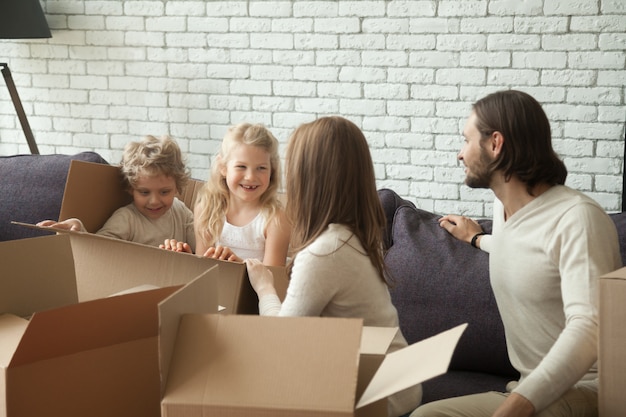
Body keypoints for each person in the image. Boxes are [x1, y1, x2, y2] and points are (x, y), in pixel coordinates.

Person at [410, 90, 622, 417]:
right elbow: (532, 257)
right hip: (528, 388)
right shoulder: (503, 208)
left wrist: (516, 408)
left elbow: (589, 327)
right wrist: (478, 240)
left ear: (495, 143)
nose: (459, 154)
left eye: (466, 141)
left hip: (589, 390)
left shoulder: (579, 219)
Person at [245, 116, 423, 417]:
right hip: (396, 383)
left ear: (308, 178)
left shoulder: (326, 250)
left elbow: (280, 340)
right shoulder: (350, 236)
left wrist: (264, 288)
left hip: (380, 396)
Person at [163, 122, 290, 266]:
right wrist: (186, 258)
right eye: (241, 166)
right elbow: (204, 268)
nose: (250, 177)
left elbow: (272, 281)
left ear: (271, 171)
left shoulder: (276, 219)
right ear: (223, 168)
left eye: (261, 168)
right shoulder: (207, 210)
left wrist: (237, 266)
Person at [37, 135, 195, 250]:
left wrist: (187, 253)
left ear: (177, 188)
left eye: (164, 192)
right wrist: (79, 229)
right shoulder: (126, 218)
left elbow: (202, 246)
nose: (154, 201)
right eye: (144, 192)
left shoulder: (180, 211)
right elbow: (99, 250)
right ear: (130, 188)